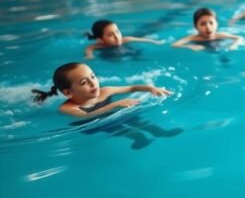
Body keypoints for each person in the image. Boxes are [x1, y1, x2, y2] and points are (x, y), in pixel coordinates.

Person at [31, 62, 181, 149]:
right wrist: (115, 105)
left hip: (111, 115)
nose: (93, 83)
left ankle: (160, 132)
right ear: (69, 93)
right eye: (84, 82)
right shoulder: (66, 108)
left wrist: (151, 88)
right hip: (94, 124)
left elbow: (132, 88)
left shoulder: (105, 91)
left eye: (93, 76)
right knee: (115, 128)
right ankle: (138, 139)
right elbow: (87, 115)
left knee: (137, 120)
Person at [84, 19, 163, 59]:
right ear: (100, 39)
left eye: (117, 32)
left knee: (136, 53)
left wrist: (155, 42)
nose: (116, 36)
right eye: (110, 35)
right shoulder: (100, 45)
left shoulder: (125, 40)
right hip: (109, 54)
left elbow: (141, 39)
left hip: (125, 50)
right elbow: (89, 48)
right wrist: (89, 55)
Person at [173, 7, 242, 51]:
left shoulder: (219, 35)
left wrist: (234, 45)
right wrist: (191, 46)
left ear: (217, 24)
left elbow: (239, 38)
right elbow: (175, 44)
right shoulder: (193, 38)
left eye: (211, 23)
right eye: (203, 24)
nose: (208, 27)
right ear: (196, 27)